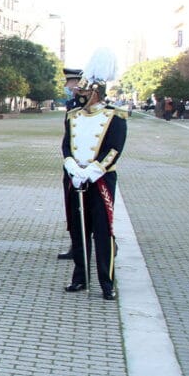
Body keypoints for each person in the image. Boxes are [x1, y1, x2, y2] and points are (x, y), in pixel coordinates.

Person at [64, 48, 126, 300]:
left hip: (99, 180)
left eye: (85, 92)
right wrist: (71, 166)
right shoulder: (72, 116)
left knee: (102, 231)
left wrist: (92, 170)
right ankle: (79, 276)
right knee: (79, 231)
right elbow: (66, 144)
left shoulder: (115, 117)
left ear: (96, 93)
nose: (80, 95)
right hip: (75, 178)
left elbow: (114, 150)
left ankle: (106, 281)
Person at [57, 67, 85, 261]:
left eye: (69, 83)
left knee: (89, 208)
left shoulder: (84, 105)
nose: (67, 86)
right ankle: (76, 245)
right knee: (73, 206)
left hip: (86, 164)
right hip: (72, 162)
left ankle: (109, 243)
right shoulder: (72, 104)